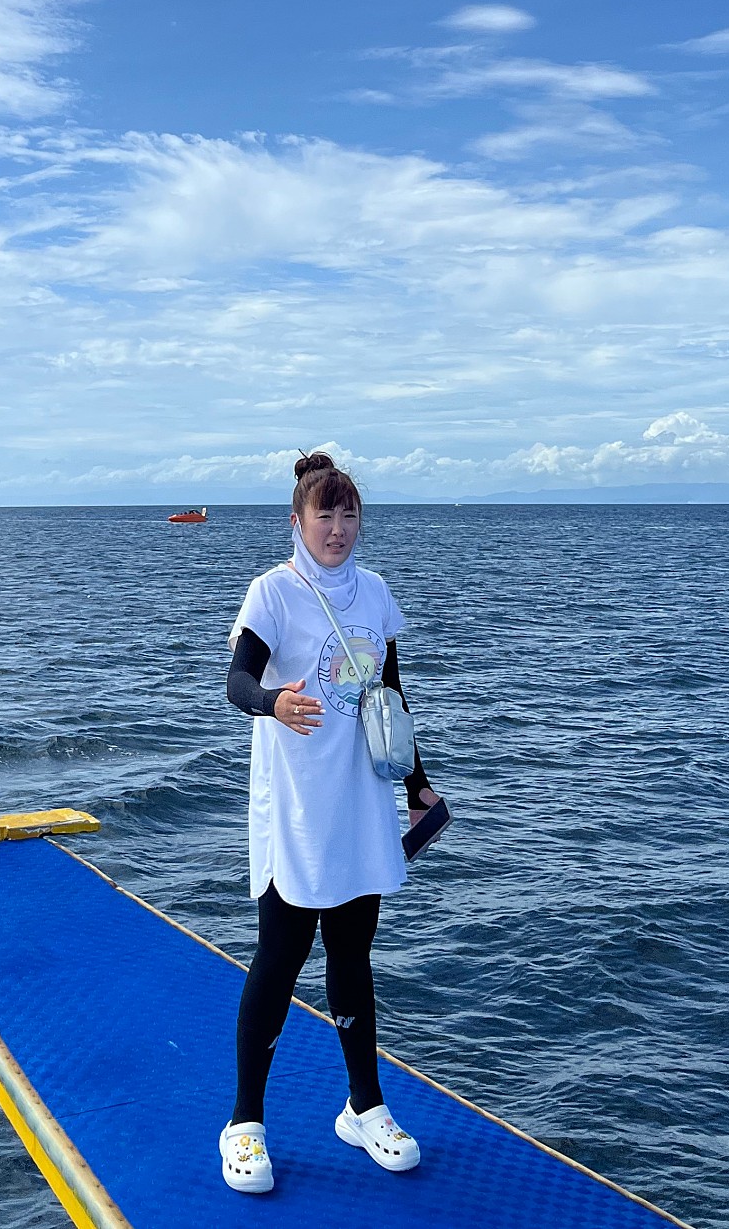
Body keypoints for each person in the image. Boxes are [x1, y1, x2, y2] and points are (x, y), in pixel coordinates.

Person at [218, 451, 440, 1194]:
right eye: (325, 514)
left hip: (359, 802)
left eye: (350, 514)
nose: (338, 528)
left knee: (352, 954)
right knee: (280, 957)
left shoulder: (374, 592)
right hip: (295, 805)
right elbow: (236, 680)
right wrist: (272, 702)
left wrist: (417, 784)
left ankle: (364, 1106)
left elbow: (391, 696)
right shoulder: (273, 592)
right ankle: (244, 1122)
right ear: (298, 520)